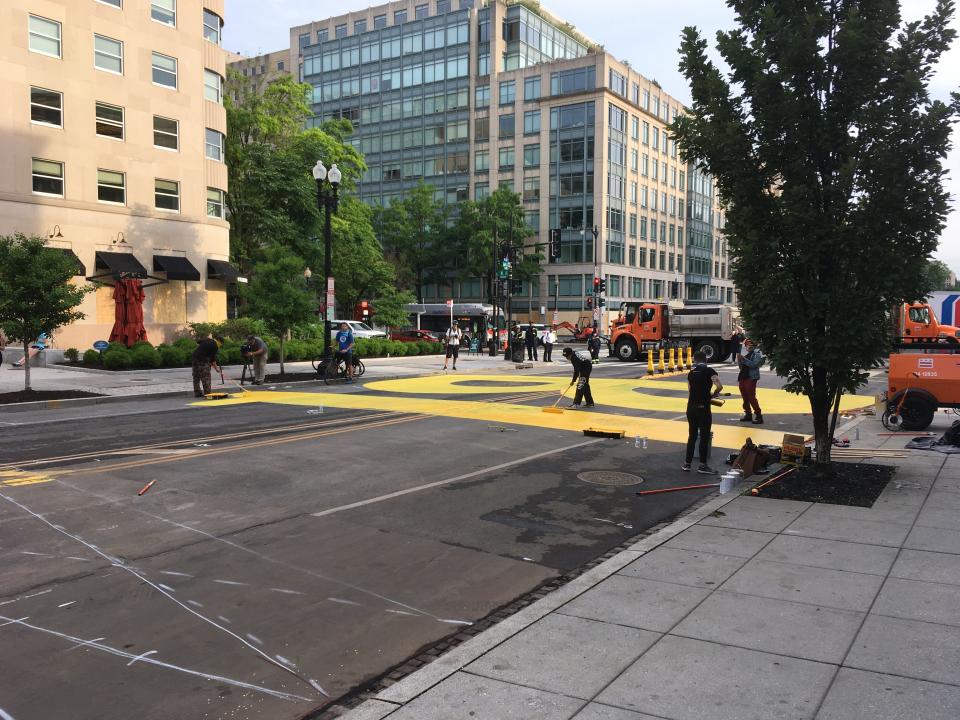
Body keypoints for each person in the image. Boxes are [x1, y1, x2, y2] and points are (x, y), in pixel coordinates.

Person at [683, 350, 723, 474]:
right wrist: (713, 395)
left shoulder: (691, 373)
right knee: (704, 436)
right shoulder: (710, 371)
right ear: (705, 359)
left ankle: (687, 464)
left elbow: (690, 390)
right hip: (703, 407)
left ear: (695, 360)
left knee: (692, 435)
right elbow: (719, 386)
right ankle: (702, 465)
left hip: (691, 407)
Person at [738, 338, 764, 424]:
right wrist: (740, 360)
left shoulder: (757, 354)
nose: (748, 346)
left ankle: (759, 415)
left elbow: (754, 365)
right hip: (743, 377)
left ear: (754, 345)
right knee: (745, 397)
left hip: (751, 378)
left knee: (751, 397)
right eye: (747, 344)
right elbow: (741, 367)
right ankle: (748, 414)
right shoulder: (747, 355)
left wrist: (743, 359)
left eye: (750, 344)